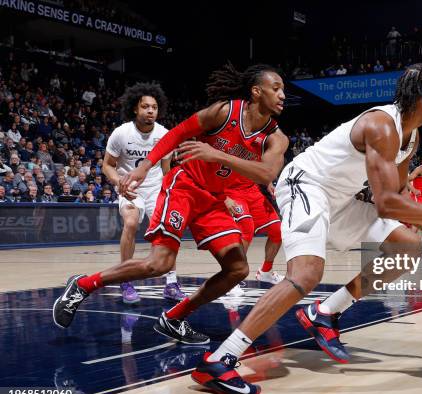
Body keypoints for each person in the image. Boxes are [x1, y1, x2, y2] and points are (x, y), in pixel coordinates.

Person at [194, 64, 422, 394]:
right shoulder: (382, 125)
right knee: (306, 273)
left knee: (408, 247)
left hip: (338, 200)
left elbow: (397, 195)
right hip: (305, 185)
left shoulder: (410, 138)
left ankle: (324, 313)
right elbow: (385, 204)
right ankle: (220, 359)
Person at [53, 64, 288, 353]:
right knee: (159, 264)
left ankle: (174, 318)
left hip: (214, 199)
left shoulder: (277, 138)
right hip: (184, 186)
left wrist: (217, 155)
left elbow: (265, 174)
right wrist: (145, 166)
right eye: (276, 88)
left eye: (283, 90)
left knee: (237, 269)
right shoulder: (224, 112)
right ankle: (84, 285)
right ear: (256, 91)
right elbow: (178, 133)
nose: (282, 95)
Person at [103, 83, 184, 304]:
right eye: (145, 107)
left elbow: (166, 169)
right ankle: (126, 280)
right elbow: (107, 165)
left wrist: (171, 192)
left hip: (156, 188)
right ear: (135, 109)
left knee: (167, 230)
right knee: (130, 223)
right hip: (129, 187)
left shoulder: (164, 135)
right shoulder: (121, 133)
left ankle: (171, 283)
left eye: (154, 107)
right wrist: (119, 182)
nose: (150, 111)